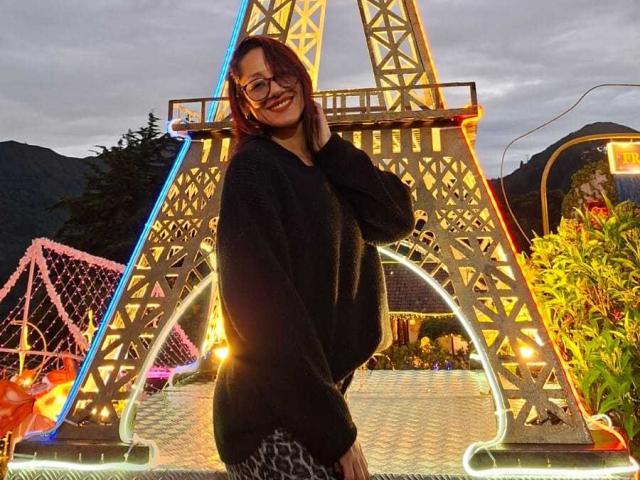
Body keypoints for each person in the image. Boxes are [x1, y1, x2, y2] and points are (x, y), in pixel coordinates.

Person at [214, 35, 415, 480]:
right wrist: (336, 434)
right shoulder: (254, 170)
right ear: (245, 105)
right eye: (258, 84)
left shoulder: (329, 166)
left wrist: (333, 149)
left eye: (282, 74)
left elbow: (397, 220)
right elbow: (264, 318)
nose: (275, 89)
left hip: (311, 400)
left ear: (302, 77)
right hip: (267, 415)